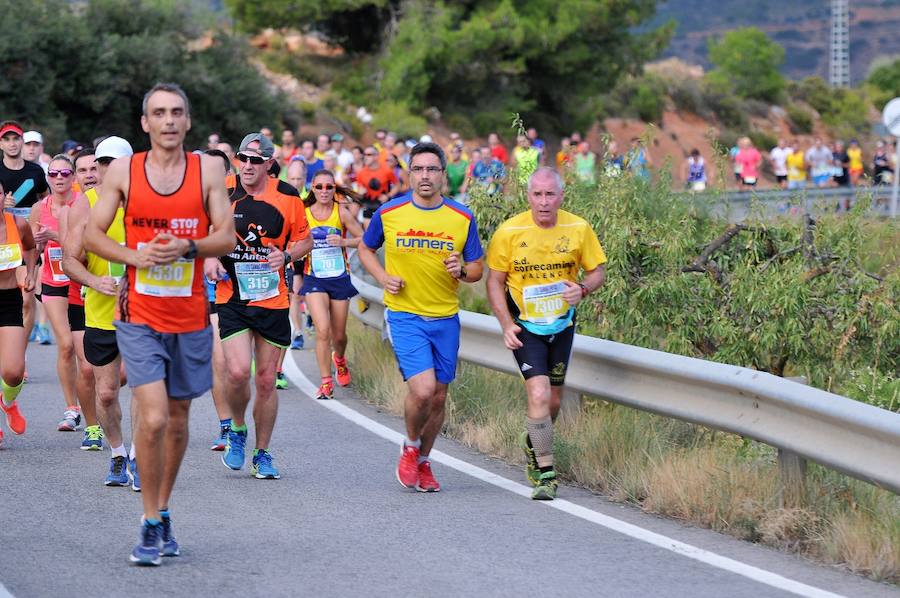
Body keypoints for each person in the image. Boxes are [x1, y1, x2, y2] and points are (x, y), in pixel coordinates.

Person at [84, 82, 235, 566]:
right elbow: (91, 233)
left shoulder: (207, 168)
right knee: (150, 418)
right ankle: (149, 521)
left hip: (190, 316)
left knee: (177, 422)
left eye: (176, 113)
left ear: (187, 122)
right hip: (138, 315)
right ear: (144, 123)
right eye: (158, 113)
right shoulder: (125, 171)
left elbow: (226, 236)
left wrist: (189, 249)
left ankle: (164, 509)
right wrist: (135, 256)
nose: (168, 121)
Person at [358, 142, 484, 492]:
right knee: (424, 389)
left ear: (444, 175)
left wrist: (462, 270)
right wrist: (383, 278)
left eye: (432, 169)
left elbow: (477, 268)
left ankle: (425, 461)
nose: (425, 176)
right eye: (419, 169)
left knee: (440, 397)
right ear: (409, 174)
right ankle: (410, 446)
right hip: (405, 316)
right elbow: (365, 248)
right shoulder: (389, 212)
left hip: (445, 318)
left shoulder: (462, 217)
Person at [485, 167, 607, 500]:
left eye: (549, 194)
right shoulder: (509, 232)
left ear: (560, 196)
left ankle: (533, 441)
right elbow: (494, 281)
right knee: (537, 394)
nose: (543, 202)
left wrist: (582, 289)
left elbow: (598, 272)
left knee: (553, 401)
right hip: (525, 327)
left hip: (561, 325)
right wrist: (506, 324)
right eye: (537, 195)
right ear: (528, 196)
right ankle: (547, 474)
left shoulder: (578, 228)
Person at [207, 132, 311, 481]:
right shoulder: (221, 188)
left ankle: (262, 453)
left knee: (266, 380)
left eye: (256, 160)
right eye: (243, 159)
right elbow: (203, 230)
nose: (248, 166)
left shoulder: (287, 196)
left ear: (269, 163)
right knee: (237, 372)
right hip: (231, 296)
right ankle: (237, 428)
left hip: (272, 297)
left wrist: (287, 254)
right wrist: (208, 259)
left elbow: (305, 239)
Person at [63, 137, 145, 483]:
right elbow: (70, 260)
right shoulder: (88, 203)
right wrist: (94, 282)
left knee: (142, 387)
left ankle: (139, 458)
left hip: (142, 313)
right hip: (100, 313)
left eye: (112, 162)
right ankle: (117, 453)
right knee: (107, 392)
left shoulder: (148, 203)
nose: (104, 169)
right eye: (100, 163)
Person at [29, 154, 86, 432]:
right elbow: (31, 248)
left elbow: (89, 243)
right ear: (48, 178)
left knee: (84, 350)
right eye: (53, 174)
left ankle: (91, 401)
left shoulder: (83, 205)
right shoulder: (40, 208)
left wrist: (56, 237)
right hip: (53, 281)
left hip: (81, 281)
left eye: (65, 173)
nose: (59, 178)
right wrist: (30, 268)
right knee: (65, 345)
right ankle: (72, 408)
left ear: (73, 177)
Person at [302, 170, 362, 399]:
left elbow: (365, 239)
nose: (324, 191)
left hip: (338, 278)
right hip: (314, 278)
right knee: (323, 330)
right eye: (319, 187)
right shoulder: (304, 213)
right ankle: (326, 382)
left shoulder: (342, 213)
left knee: (339, 336)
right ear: (313, 189)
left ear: (334, 189)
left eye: (329, 187)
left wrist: (344, 241)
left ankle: (340, 359)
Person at [62, 148, 102, 450]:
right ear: (76, 177)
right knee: (87, 367)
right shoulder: (72, 210)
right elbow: (71, 257)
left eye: (93, 169)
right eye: (83, 170)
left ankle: (107, 405)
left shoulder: (120, 204)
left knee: (121, 374)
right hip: (81, 294)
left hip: (115, 296)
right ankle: (92, 426)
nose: (89, 175)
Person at [1, 121, 49, 346]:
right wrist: (3, 206)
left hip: (28, 240)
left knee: (27, 300)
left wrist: (40, 222)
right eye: (6, 139)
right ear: (1, 143)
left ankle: (20, 353)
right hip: (5, 240)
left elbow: (46, 200)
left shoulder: (35, 171)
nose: (12, 144)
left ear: (21, 141)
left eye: (15, 139)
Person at [0, 180, 37, 448]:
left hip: (8, 300)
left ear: (5, 197)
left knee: (13, 371)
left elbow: (31, 248)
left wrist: (32, 273)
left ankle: (8, 402)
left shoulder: (17, 224)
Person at [202, 148, 235, 450]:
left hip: (240, 292)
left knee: (237, 369)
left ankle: (237, 422)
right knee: (219, 362)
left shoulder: (237, 203)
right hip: (205, 294)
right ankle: (227, 426)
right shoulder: (187, 203)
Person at [356, 145, 398, 226]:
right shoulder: (361, 173)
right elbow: (360, 189)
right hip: (368, 205)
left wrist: (388, 196)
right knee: (369, 234)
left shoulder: (387, 171)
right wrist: (360, 192)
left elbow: (397, 185)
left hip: (383, 205)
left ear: (376, 156)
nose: (365, 157)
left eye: (369, 155)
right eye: (364, 154)